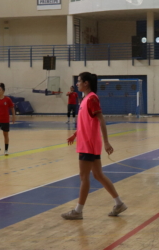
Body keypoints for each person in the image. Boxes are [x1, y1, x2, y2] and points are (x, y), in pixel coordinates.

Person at [61, 72, 127, 220]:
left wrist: (107, 141)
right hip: (86, 141)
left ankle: (78, 210)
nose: (77, 84)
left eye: (79, 81)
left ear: (86, 83)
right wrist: (76, 134)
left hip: (89, 144)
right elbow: (86, 123)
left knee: (84, 176)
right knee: (97, 175)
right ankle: (119, 203)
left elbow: (101, 120)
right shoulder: (84, 100)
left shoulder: (92, 99)